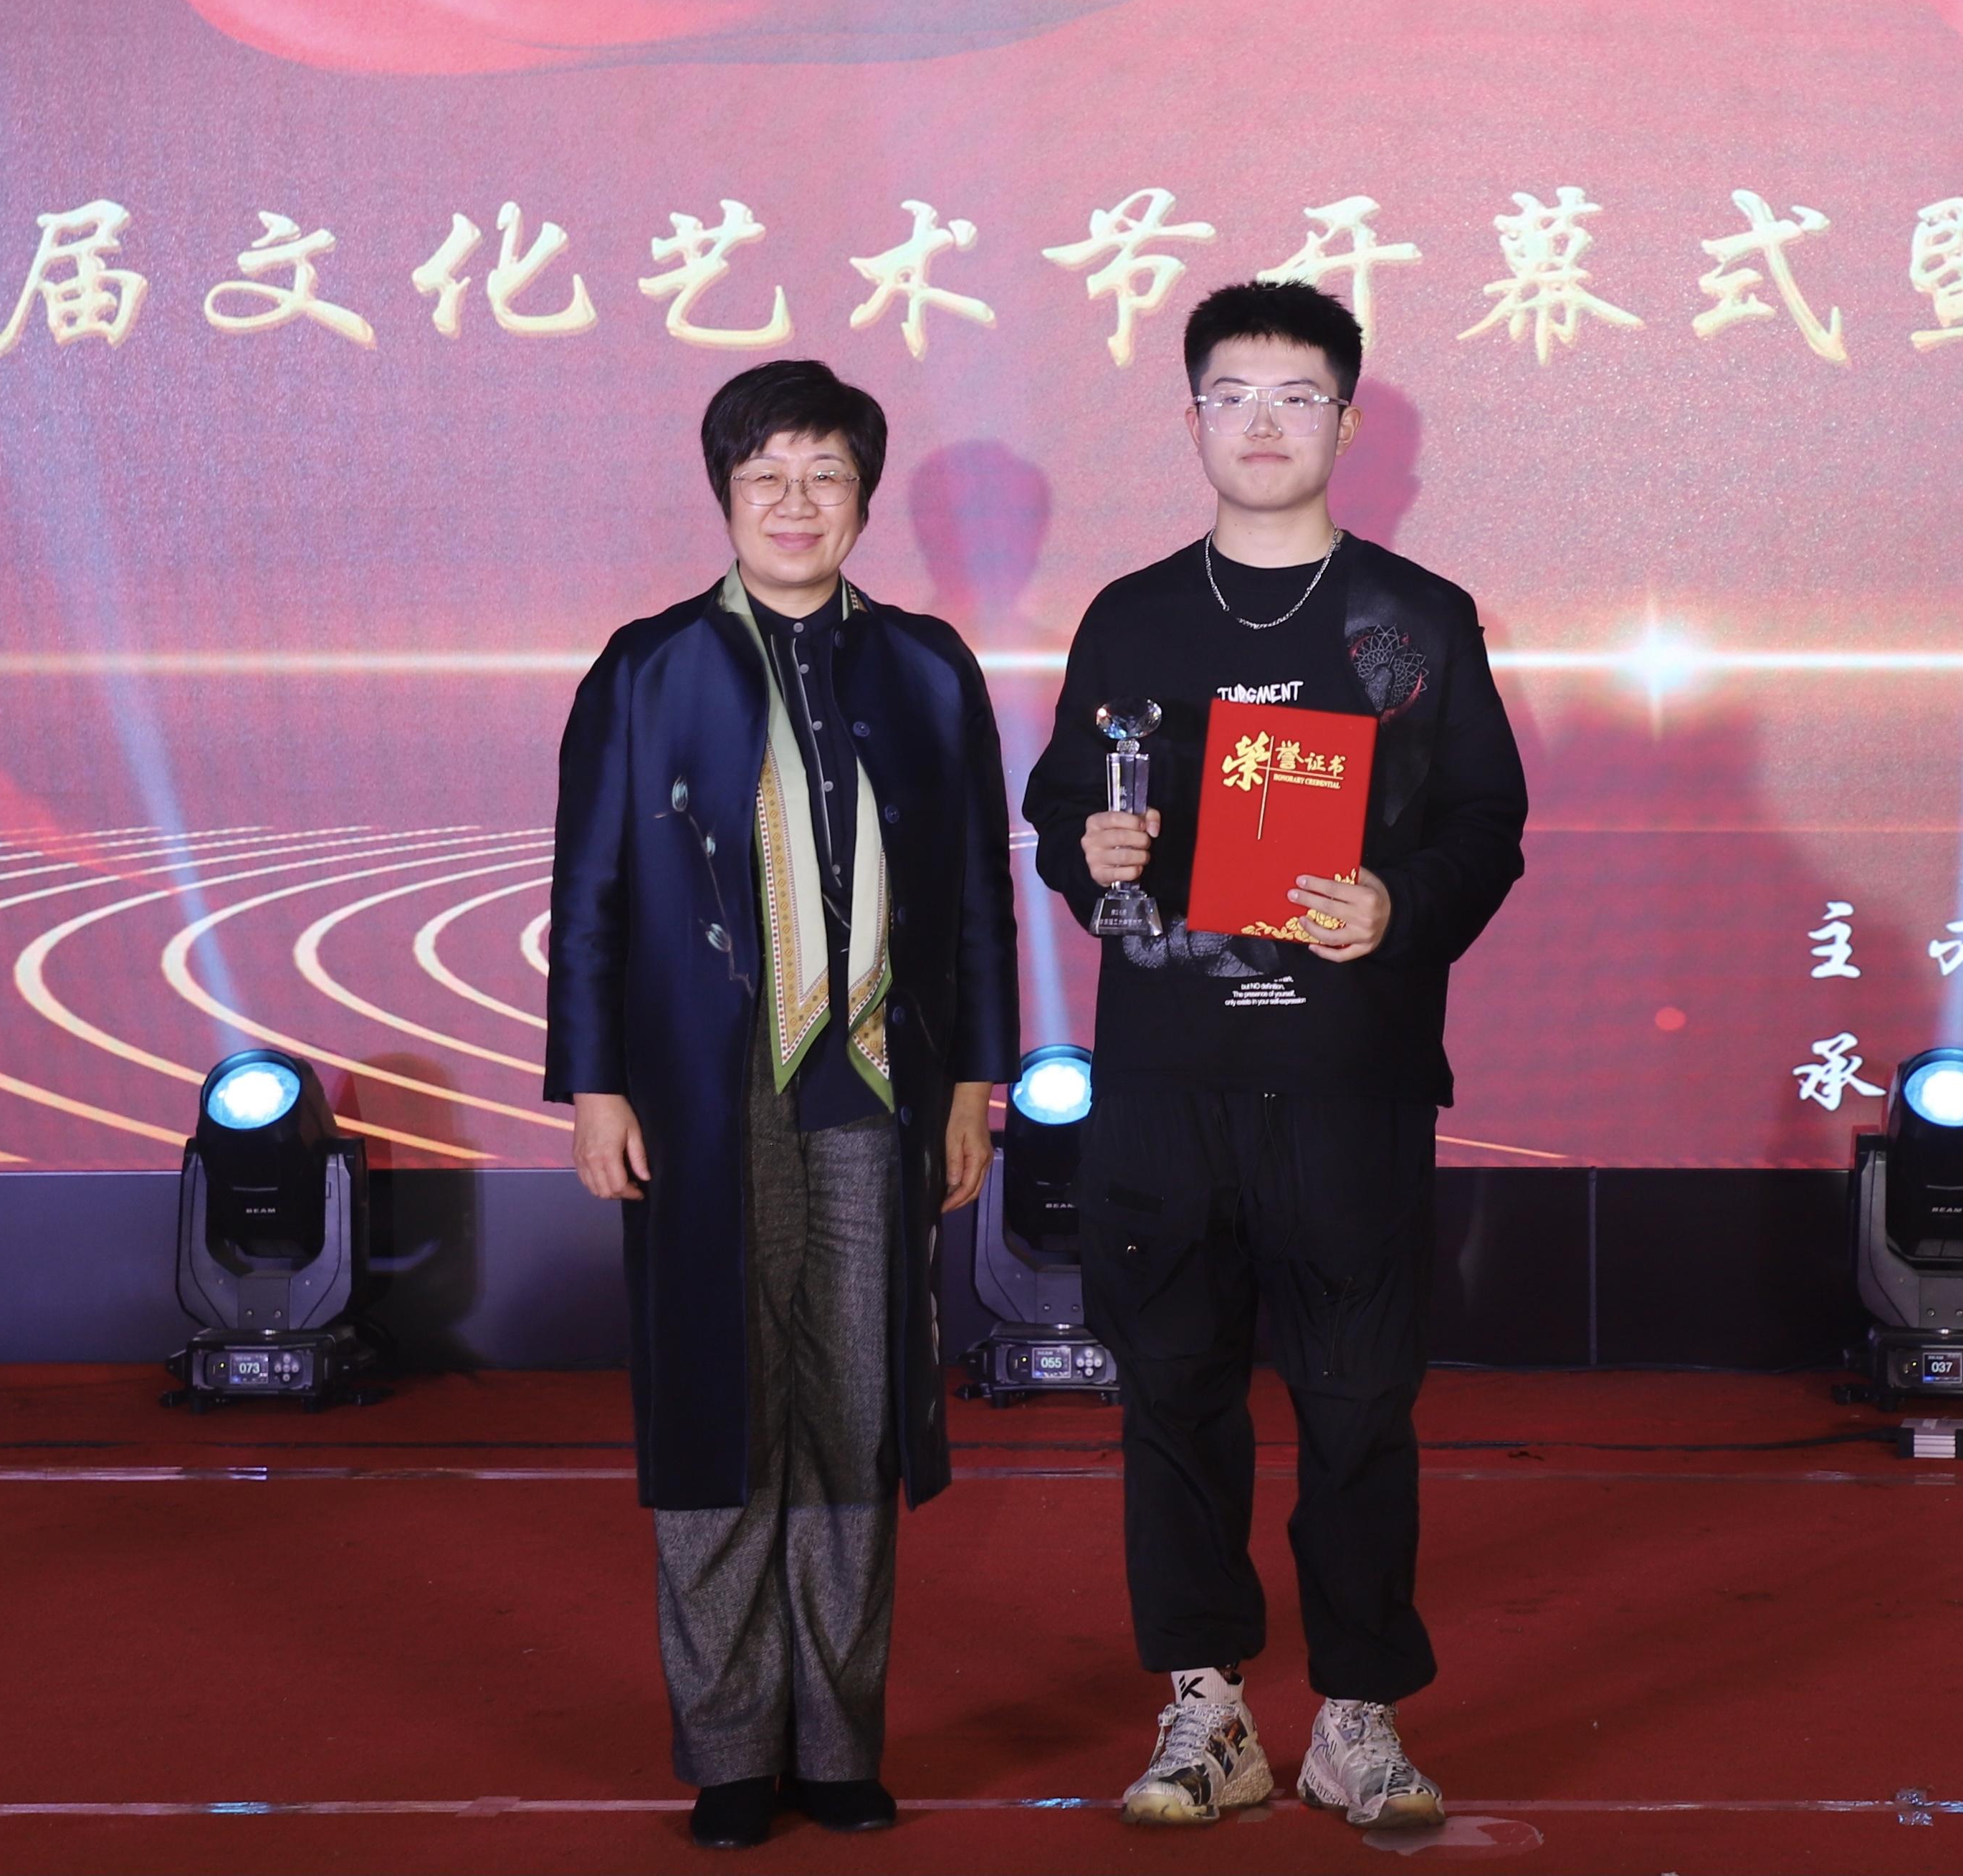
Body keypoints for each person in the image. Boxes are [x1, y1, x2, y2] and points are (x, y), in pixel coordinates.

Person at [1022, 281, 1529, 1832]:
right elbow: (1062, 815)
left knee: (1360, 1404)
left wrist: (1399, 905)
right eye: (1232, 394)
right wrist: (1088, 850)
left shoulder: (1416, 619)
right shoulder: (1130, 617)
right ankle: (1208, 1710)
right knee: (1173, 1396)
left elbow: (1487, 826)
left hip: (1346, 1083)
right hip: (1167, 1082)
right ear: (1192, 420)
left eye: (1297, 395)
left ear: (1347, 424)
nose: (1262, 422)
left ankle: (1358, 1717)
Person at [548, 360, 1020, 1850]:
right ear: (727, 495)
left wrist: (977, 1083)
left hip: (877, 1086)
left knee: (855, 1406)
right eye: (769, 477)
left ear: (863, 498)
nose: (797, 504)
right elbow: (590, 891)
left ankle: (839, 1741)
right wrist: (594, 1086)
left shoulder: (928, 668)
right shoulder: (645, 669)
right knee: (719, 1407)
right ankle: (733, 1750)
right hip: (704, 1097)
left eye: (826, 476)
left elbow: (977, 899)